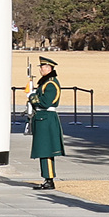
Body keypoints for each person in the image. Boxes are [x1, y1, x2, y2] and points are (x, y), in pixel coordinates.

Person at [28, 55, 65, 189]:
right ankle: (47, 178)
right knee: (43, 151)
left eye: (43, 67)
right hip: (42, 118)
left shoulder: (50, 84)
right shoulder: (45, 83)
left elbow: (45, 102)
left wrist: (32, 97)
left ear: (49, 68)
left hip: (46, 118)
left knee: (46, 150)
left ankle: (49, 179)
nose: (40, 70)